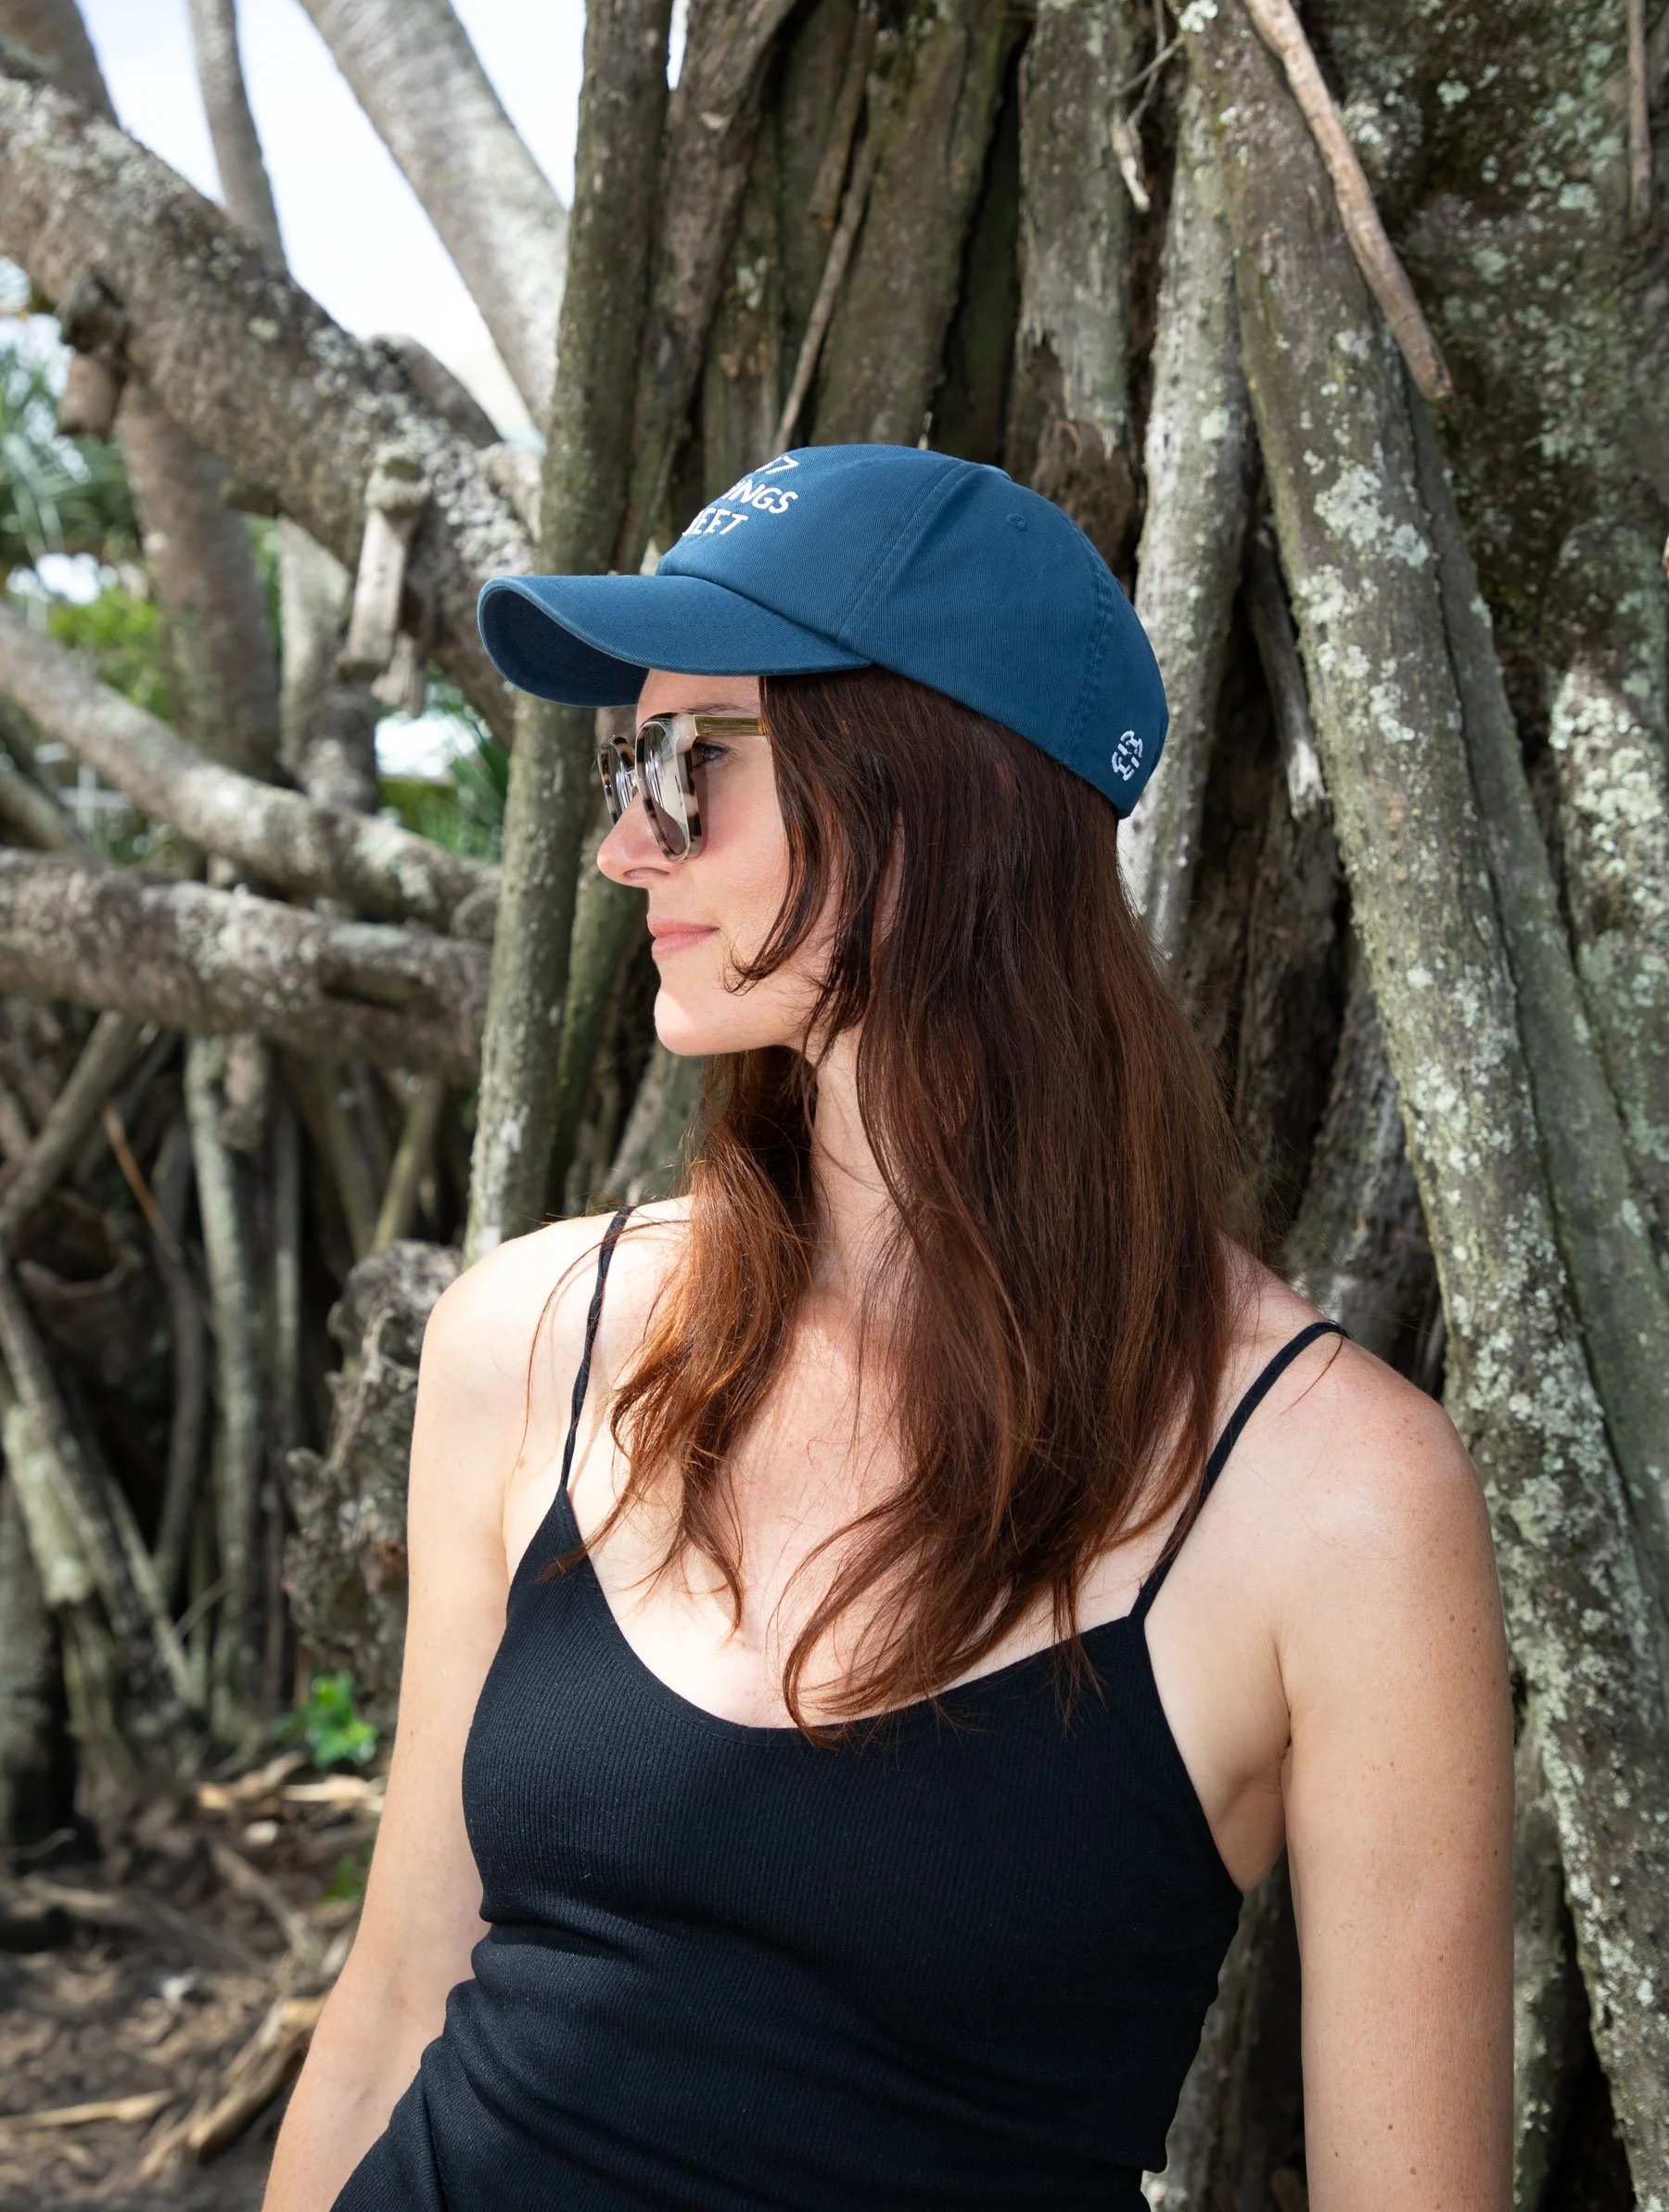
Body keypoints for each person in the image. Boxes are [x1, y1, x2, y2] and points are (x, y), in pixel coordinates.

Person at [264, 445, 1512, 2212]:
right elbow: (397, 1998)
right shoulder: (534, 1337)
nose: (626, 843)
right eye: (629, 763)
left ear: (934, 800)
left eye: (689, 764)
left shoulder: (1335, 1501)